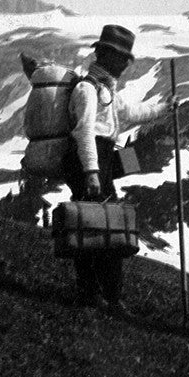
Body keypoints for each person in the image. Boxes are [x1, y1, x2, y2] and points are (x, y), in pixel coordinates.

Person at [65, 24, 176, 315]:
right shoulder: (88, 90)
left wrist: (164, 108)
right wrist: (91, 172)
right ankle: (98, 295)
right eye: (122, 57)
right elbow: (84, 132)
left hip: (100, 162)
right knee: (94, 228)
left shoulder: (106, 90)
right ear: (105, 55)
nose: (127, 64)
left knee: (98, 228)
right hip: (89, 163)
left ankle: (102, 295)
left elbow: (132, 113)